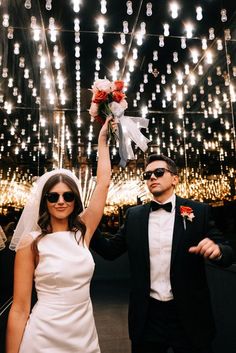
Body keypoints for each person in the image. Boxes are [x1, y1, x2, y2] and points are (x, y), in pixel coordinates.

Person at [90, 154, 234, 353]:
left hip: (189, 314)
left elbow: (227, 250)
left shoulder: (198, 212)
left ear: (175, 178)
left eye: (158, 172)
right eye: (147, 175)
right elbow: (109, 250)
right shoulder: (134, 216)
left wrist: (218, 251)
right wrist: (87, 225)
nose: (152, 178)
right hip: (148, 315)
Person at [6, 117, 115, 353]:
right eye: (53, 196)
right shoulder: (31, 243)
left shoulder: (83, 232)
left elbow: (103, 184)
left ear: (75, 200)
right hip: (43, 336)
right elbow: (20, 308)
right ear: (44, 201)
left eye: (68, 196)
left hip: (83, 335)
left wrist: (103, 140)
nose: (61, 201)